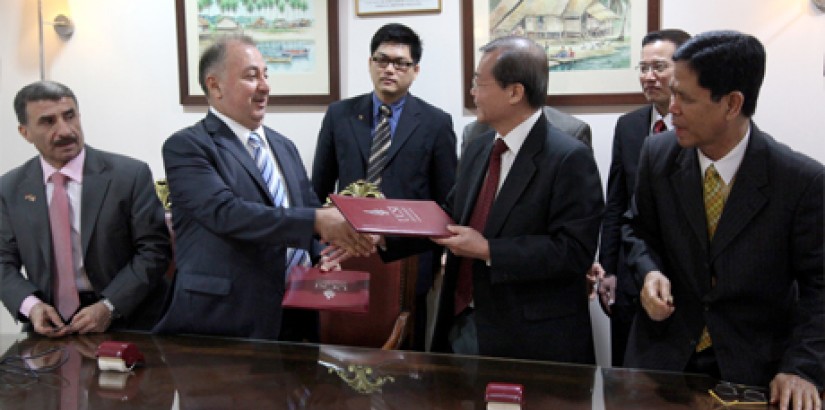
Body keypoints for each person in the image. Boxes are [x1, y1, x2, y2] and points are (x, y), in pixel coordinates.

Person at [622, 31, 823, 410]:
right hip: (662, 362)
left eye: (685, 97)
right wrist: (649, 272)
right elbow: (637, 229)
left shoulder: (801, 181)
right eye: (672, 92)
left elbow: (820, 288)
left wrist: (803, 367)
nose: (672, 108)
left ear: (732, 104)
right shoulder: (656, 155)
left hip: (754, 371)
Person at [153, 35, 374, 341]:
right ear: (214, 86)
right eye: (251, 76)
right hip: (225, 321)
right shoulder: (187, 147)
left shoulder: (284, 147)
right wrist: (318, 222)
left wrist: (325, 250)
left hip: (296, 317)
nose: (265, 87)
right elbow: (226, 213)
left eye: (266, 75)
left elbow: (308, 210)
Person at [429, 36, 603, 363]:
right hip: (461, 323)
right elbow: (450, 215)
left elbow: (573, 251)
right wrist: (385, 231)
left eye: (479, 83)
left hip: (529, 340)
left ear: (514, 92)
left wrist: (488, 249)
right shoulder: (479, 147)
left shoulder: (568, 157)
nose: (473, 93)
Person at [311, 23, 457, 350]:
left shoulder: (436, 123)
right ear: (369, 63)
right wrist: (320, 249)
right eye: (382, 60)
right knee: (342, 355)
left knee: (406, 366)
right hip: (343, 254)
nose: (389, 69)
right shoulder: (339, 115)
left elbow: (446, 204)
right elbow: (317, 190)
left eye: (401, 63)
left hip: (407, 262)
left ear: (415, 70)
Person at [0, 81, 171, 337]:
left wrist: (109, 306)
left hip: (129, 319)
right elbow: (3, 262)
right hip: (49, 324)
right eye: (48, 122)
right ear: (25, 132)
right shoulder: (10, 188)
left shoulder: (128, 176)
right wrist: (32, 306)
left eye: (69, 116)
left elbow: (154, 251)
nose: (65, 130)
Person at [595, 29, 691, 367]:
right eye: (642, 67)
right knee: (625, 377)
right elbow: (615, 205)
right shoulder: (629, 126)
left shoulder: (699, 129)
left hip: (682, 277)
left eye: (659, 67)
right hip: (629, 272)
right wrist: (608, 269)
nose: (648, 77)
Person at [461, 106, 592, 155]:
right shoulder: (474, 134)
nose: (473, 92)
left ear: (515, 92)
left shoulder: (571, 134)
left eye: (482, 85)